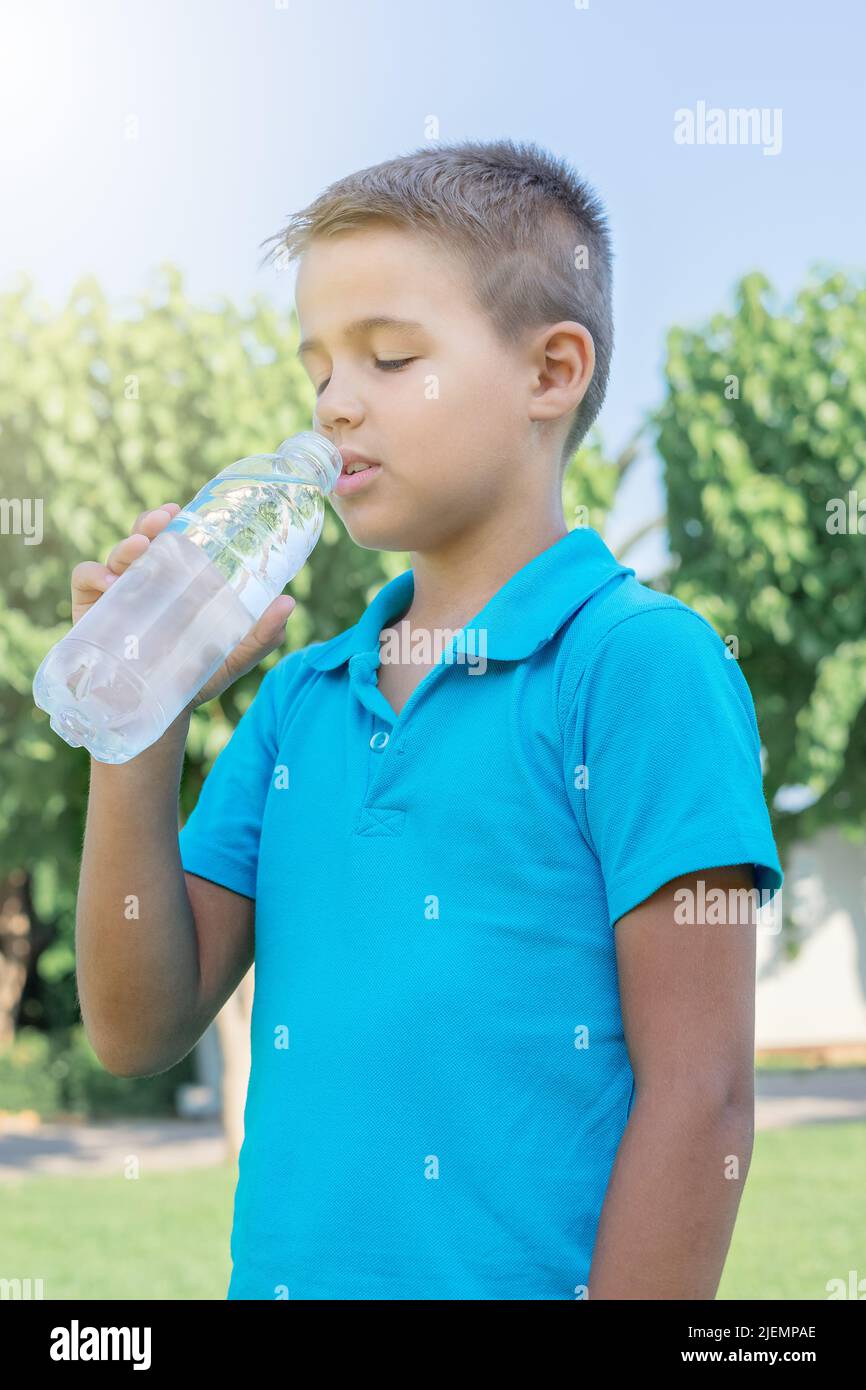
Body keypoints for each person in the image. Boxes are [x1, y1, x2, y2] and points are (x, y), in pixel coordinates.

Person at [75, 138, 783, 1300]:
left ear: (550, 373)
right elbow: (133, 1028)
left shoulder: (635, 666)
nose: (334, 403)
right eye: (315, 371)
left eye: (389, 357)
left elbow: (700, 1093)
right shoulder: (299, 703)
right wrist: (137, 707)